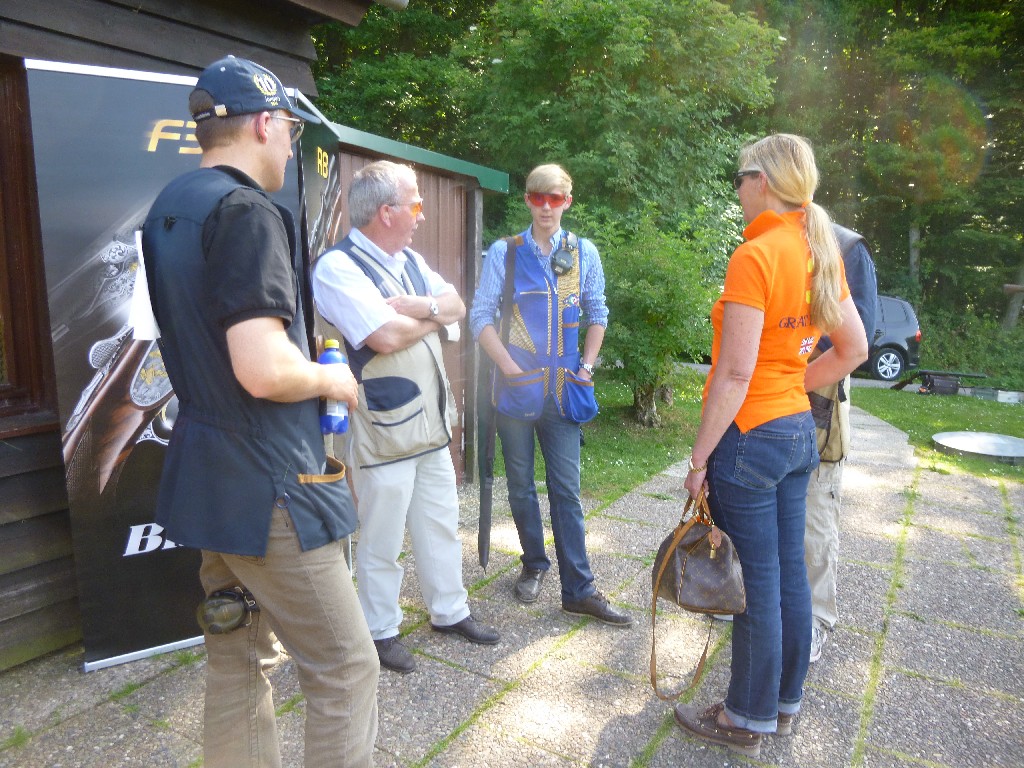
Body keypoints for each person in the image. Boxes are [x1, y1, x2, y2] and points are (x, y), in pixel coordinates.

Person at [141, 56, 379, 767]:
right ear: (266, 124)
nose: (289, 146)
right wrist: (332, 380)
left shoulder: (172, 205)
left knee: (239, 656)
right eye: (289, 131)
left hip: (210, 478)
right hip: (269, 484)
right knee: (345, 666)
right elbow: (264, 369)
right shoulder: (246, 212)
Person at [673, 134, 868, 758]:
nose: (737, 189)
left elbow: (734, 374)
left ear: (764, 181)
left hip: (750, 438)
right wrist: (791, 385)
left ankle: (744, 718)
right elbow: (854, 349)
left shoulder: (755, 255)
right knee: (787, 576)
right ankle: (782, 705)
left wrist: (698, 459)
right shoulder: (819, 250)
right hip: (797, 433)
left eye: (741, 177)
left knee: (756, 584)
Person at [312, 160, 500, 675]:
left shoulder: (410, 260)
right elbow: (384, 337)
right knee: (381, 537)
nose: (422, 214)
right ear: (386, 211)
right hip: (383, 426)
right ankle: (379, 630)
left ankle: (450, 611)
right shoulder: (338, 268)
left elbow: (457, 305)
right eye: (415, 204)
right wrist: (432, 317)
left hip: (430, 424)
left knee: (440, 525)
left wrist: (419, 308)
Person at [469, 163, 633, 627]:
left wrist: (587, 367)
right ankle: (534, 563)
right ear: (527, 200)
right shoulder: (505, 252)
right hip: (515, 391)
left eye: (555, 198)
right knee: (520, 484)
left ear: (567, 202)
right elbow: (479, 317)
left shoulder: (584, 252)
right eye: (537, 198)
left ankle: (579, 589)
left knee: (567, 491)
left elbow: (598, 312)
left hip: (564, 392)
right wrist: (509, 369)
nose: (546, 207)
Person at [806, 224, 877, 663]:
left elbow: (861, 332)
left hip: (821, 401)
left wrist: (796, 343)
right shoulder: (766, 237)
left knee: (815, 516)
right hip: (767, 402)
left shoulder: (847, 247)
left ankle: (815, 620)